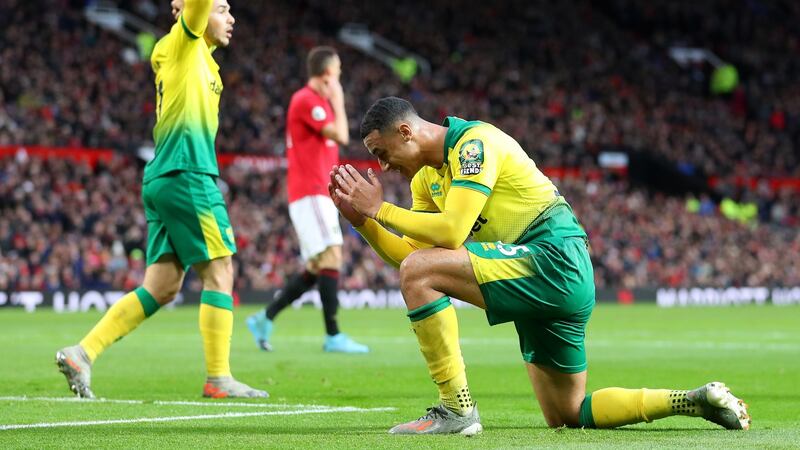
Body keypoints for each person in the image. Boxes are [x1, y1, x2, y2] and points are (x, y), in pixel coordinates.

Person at [329, 96, 751, 435]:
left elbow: (453, 231)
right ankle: (692, 400)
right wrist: (364, 221)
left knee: (422, 270)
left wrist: (381, 208)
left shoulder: (474, 144)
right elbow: (413, 258)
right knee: (567, 413)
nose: (383, 166)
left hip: (553, 258)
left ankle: (456, 411)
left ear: (405, 131)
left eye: (382, 153)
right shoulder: (425, 179)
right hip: (540, 274)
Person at [55, 0, 267, 399]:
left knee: (163, 286)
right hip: (187, 172)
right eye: (222, 9)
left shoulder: (198, 58)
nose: (231, 17)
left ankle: (83, 353)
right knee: (220, 269)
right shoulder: (183, 44)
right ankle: (219, 378)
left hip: (165, 176)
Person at [246, 47, 368, 354]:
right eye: (337, 70)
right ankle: (333, 335)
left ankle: (265, 318)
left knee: (317, 265)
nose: (339, 77)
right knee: (332, 256)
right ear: (328, 73)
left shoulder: (317, 103)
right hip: (311, 190)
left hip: (316, 191)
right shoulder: (307, 100)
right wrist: (339, 99)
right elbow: (341, 135)